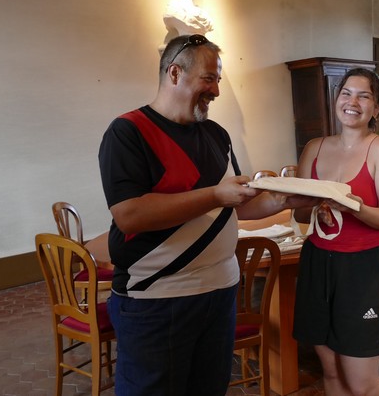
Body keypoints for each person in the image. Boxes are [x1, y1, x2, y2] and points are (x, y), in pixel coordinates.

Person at [98, 34, 315, 395]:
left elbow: (237, 205)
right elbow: (130, 215)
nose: (216, 90)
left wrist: (284, 201)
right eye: (208, 79)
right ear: (174, 73)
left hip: (219, 292)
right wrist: (215, 193)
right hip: (158, 298)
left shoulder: (216, 134)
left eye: (217, 80)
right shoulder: (129, 132)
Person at [292, 67, 379, 395]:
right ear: (336, 98)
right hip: (317, 262)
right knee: (330, 371)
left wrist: (355, 206)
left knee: (362, 381)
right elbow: (301, 211)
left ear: (376, 108)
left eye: (363, 95)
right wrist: (319, 209)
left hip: (362, 269)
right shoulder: (314, 147)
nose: (352, 102)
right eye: (346, 93)